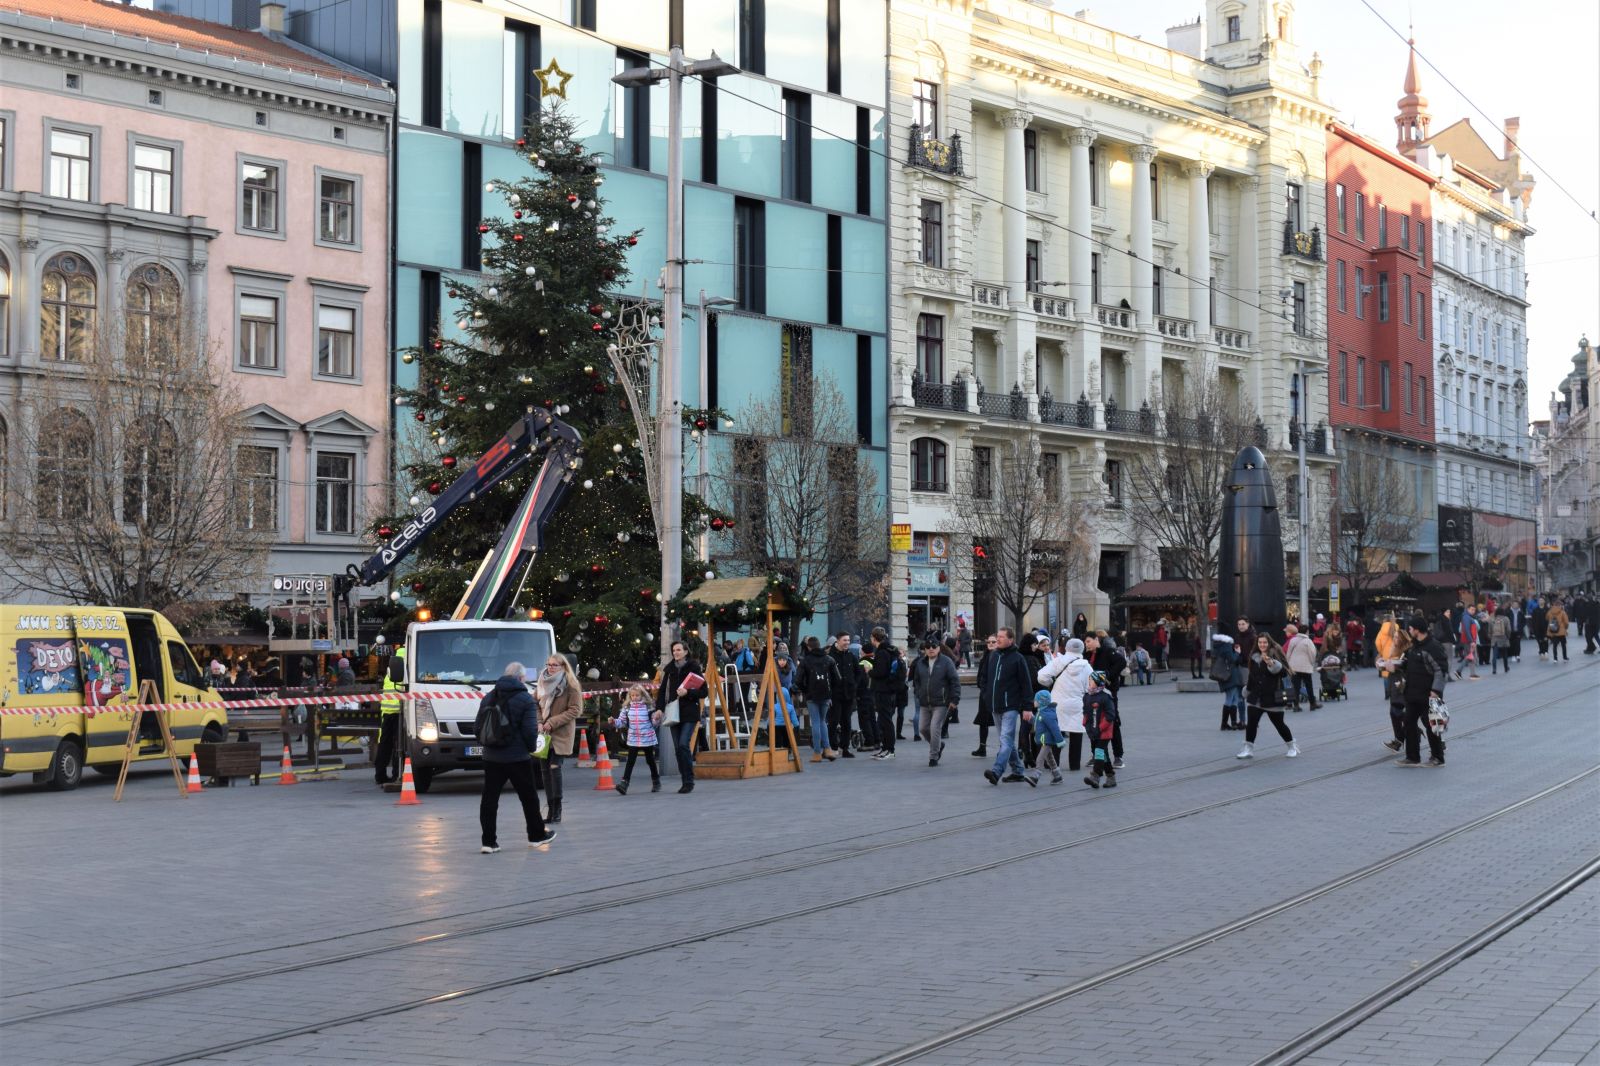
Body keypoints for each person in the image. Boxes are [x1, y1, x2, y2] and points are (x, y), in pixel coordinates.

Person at [478, 662, 555, 852]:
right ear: (521, 678)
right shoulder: (525, 699)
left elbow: (478, 726)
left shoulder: (489, 697)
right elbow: (530, 731)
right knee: (528, 797)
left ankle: (488, 842)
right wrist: (530, 750)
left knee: (489, 799)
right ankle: (536, 835)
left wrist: (487, 747)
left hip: (491, 757)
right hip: (517, 757)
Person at [982, 627, 1034, 786]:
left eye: (1002, 637)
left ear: (1011, 640)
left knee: (1005, 740)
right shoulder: (993, 655)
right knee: (1006, 741)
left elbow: (1026, 684)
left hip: (1010, 706)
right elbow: (984, 678)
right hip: (994, 705)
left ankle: (997, 771)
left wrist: (1027, 707)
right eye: (997, 636)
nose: (998, 639)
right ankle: (1018, 770)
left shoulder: (1018, 659)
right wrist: (985, 694)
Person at [1236, 633, 1299, 759]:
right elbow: (1252, 677)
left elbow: (1282, 672)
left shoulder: (1274, 654)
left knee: (1279, 724)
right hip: (1256, 697)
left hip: (1273, 698)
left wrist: (1271, 663)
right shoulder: (1254, 657)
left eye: (1264, 642)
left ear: (1269, 643)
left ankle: (1292, 746)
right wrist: (1247, 691)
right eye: (1260, 643)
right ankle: (1248, 748)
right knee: (1252, 723)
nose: (1262, 645)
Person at [1396, 616, 1449, 767]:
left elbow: (1441, 670)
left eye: (1411, 629)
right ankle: (1412, 757)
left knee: (1431, 725)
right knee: (1408, 723)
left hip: (1428, 694)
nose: (1409, 631)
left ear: (1417, 630)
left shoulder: (1433, 646)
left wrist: (1436, 690)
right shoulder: (1414, 646)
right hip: (1413, 693)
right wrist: (1398, 665)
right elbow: (1410, 665)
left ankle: (1437, 757)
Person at [535, 653, 581, 823]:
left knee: (555, 768)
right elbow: (535, 704)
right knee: (544, 771)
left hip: (560, 733)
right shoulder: (541, 682)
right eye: (549, 664)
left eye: (555, 665)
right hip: (543, 733)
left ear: (563, 667)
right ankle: (550, 808)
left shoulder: (571, 685)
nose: (550, 668)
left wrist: (552, 722)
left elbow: (575, 709)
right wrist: (540, 722)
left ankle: (558, 809)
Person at [656, 640, 705, 794]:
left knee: (684, 744)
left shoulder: (694, 668)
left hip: (689, 712)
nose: (676, 652)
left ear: (685, 651)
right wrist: (659, 709)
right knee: (678, 748)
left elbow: (704, 691)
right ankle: (685, 779)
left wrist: (688, 693)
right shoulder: (669, 670)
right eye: (674, 650)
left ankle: (689, 780)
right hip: (673, 711)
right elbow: (663, 691)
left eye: (678, 650)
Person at [1038, 637, 1091, 773]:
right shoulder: (1086, 666)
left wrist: (1050, 683)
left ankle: (1053, 764)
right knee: (1076, 731)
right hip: (1077, 702)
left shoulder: (1058, 661)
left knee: (1056, 730)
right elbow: (1091, 685)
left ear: (1066, 648)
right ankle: (1074, 764)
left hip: (1057, 702)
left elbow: (1041, 676)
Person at [909, 639, 960, 766]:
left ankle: (933, 756)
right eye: (928, 646)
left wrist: (954, 700)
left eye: (934, 646)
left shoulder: (946, 662)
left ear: (938, 648)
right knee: (923, 728)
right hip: (925, 702)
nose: (931, 648)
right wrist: (918, 693)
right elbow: (916, 680)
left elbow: (955, 681)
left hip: (941, 702)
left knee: (934, 728)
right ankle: (938, 745)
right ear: (924, 649)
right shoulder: (920, 663)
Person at [612, 684, 663, 794]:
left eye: (637, 695)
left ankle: (656, 781)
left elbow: (654, 723)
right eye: (632, 695)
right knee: (630, 761)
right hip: (633, 738)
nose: (634, 697)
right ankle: (624, 783)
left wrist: (656, 719)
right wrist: (614, 722)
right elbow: (622, 722)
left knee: (650, 761)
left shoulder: (648, 707)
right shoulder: (627, 708)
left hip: (647, 738)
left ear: (642, 695)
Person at [798, 636, 840, 763]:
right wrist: (830, 692)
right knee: (823, 721)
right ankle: (827, 749)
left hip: (812, 695)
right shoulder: (829, 659)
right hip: (826, 694)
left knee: (815, 722)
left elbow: (798, 680)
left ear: (809, 647)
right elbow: (837, 679)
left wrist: (806, 690)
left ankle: (817, 752)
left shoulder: (806, 660)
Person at [867, 627, 904, 760]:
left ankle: (890, 749)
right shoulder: (890, 649)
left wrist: (869, 671)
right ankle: (885, 748)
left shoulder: (882, 652)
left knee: (886, 720)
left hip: (884, 690)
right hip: (889, 690)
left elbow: (880, 672)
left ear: (874, 638)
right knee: (883, 719)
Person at [1080, 670, 1119, 789]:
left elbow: (1110, 715)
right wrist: (1085, 723)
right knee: (1103, 754)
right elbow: (1086, 712)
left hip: (1104, 732)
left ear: (1097, 682)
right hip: (1093, 730)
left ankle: (1095, 776)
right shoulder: (1087, 696)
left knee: (1098, 751)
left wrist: (1100, 727)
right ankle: (1111, 777)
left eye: (1091, 681)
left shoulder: (1105, 697)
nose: (1089, 683)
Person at [1376, 625, 1411, 753]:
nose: (1395, 639)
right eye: (1394, 637)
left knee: (1398, 713)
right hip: (1395, 685)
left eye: (1397, 638)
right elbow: (1389, 664)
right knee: (1395, 713)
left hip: (1403, 685)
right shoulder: (1394, 649)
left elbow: (1405, 666)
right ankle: (1400, 739)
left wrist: (1393, 666)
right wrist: (1381, 664)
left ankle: (1402, 739)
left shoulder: (1406, 651)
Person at [827, 632, 860, 758]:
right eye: (845, 640)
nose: (847, 642)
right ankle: (834, 747)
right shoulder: (830, 656)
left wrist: (854, 685)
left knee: (847, 722)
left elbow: (858, 672)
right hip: (835, 695)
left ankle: (845, 747)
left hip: (848, 694)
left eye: (848, 640)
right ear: (838, 641)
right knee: (833, 721)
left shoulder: (851, 655)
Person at [375, 645, 404, 785]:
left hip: (387, 712)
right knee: (399, 744)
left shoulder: (391, 668)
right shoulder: (407, 665)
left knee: (385, 744)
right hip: (399, 712)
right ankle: (396, 774)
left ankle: (380, 775)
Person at [1029, 689, 1066, 784]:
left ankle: (1035, 777)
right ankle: (1058, 776)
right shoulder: (1041, 712)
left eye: (1036, 700)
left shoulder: (1047, 714)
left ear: (1041, 702)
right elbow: (1039, 723)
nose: (1034, 702)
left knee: (1040, 758)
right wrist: (1032, 719)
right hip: (1044, 740)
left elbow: (1055, 728)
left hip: (1047, 741)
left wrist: (1060, 741)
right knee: (1050, 759)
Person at [1283, 623, 1321, 711]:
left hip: (1294, 667)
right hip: (1305, 667)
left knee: (1296, 687)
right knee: (1309, 685)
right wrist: (1311, 663)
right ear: (1307, 631)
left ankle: (1296, 705)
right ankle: (1312, 704)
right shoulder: (1308, 641)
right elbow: (1312, 654)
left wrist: (1288, 664)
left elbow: (1288, 653)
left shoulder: (1293, 640)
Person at [972, 634, 997, 757]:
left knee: (1001, 722)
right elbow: (981, 673)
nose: (991, 644)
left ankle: (1005, 748)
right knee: (983, 721)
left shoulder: (999, 656)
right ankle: (982, 747)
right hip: (985, 694)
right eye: (989, 642)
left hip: (996, 694)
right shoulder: (986, 656)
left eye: (994, 642)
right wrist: (982, 686)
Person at [1489, 608, 1512, 675]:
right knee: (1505, 655)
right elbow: (1509, 630)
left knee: (1494, 655)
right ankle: (1506, 667)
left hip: (1495, 639)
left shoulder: (1492, 619)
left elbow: (1489, 631)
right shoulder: (1506, 619)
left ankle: (1494, 669)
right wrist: (1508, 637)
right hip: (1503, 639)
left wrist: (1492, 637)